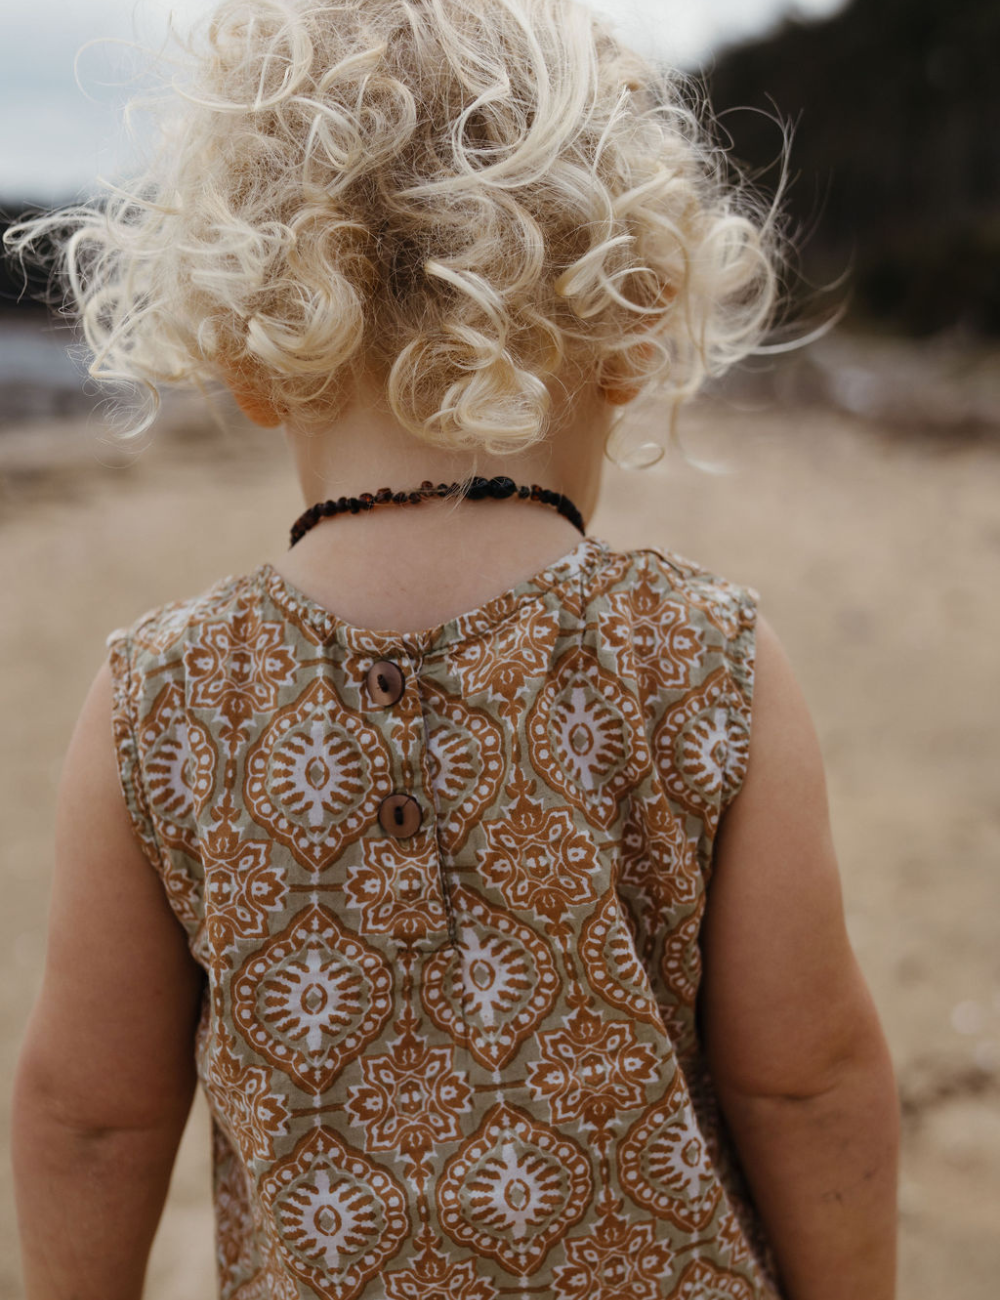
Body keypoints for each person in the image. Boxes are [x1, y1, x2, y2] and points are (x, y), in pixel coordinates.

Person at [6, 1, 899, 1297]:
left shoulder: (159, 702)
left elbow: (90, 1116)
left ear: (248, 359)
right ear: (631, 335)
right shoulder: (708, 663)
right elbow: (808, 1079)